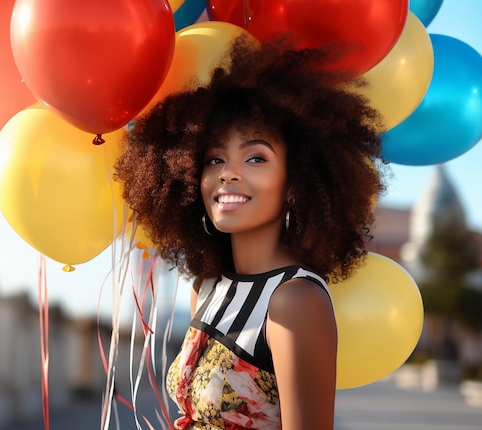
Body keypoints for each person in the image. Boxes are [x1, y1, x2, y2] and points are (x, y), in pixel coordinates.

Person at [114, 35, 386, 430]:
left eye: (256, 157)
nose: (228, 172)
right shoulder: (206, 288)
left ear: (297, 181)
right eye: (215, 159)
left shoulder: (295, 301)